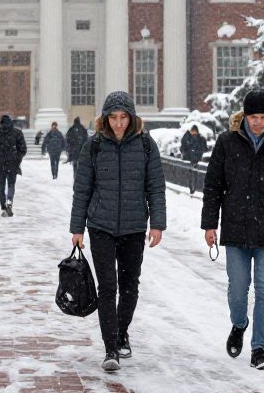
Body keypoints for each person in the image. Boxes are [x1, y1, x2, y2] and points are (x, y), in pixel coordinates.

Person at [201, 87, 264, 372]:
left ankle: (259, 349)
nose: (258, 122)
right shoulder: (227, 142)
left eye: (263, 116)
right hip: (235, 228)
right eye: (253, 116)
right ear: (244, 116)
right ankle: (239, 323)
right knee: (237, 289)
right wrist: (210, 223)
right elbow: (213, 185)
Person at [70, 91, 166, 372]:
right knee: (107, 287)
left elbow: (155, 187)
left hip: (135, 226)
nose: (119, 123)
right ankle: (110, 346)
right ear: (105, 118)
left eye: (124, 117)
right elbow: (82, 189)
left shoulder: (147, 146)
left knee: (129, 286)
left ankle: (122, 331)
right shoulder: (94, 146)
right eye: (113, 117)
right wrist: (77, 228)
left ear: (132, 117)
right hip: (100, 225)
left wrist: (157, 223)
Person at [0, 113, 27, 217]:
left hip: (0, 164)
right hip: (12, 164)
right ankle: (9, 202)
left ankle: (3, 207)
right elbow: (23, 149)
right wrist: (17, 159)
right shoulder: (17, 133)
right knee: (11, 185)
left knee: (1, 186)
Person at [179, 125, 208, 194]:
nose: (194, 133)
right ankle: (190, 188)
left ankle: (193, 189)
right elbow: (182, 148)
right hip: (188, 160)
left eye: (195, 132)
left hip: (196, 160)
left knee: (194, 175)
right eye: (193, 131)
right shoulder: (186, 138)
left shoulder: (200, 139)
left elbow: (204, 148)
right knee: (189, 175)